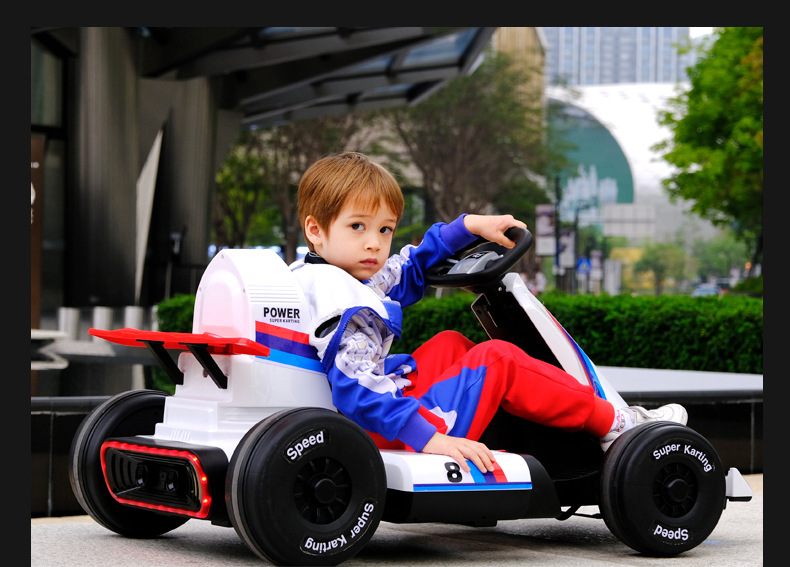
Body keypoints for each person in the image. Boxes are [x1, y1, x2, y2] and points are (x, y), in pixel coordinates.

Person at [290, 152, 686, 474]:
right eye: (357, 226)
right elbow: (356, 387)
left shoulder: (326, 276)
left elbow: (410, 267)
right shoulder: (343, 303)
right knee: (499, 359)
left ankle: (574, 413)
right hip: (380, 429)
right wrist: (431, 438)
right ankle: (615, 424)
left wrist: (470, 226)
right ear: (315, 230)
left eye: (384, 230)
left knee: (450, 344)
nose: (374, 244)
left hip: (363, 417)